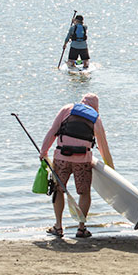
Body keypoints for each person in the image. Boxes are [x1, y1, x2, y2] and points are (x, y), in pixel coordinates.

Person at [39, 93, 113, 238]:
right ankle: (81, 228)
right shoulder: (95, 118)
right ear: (96, 107)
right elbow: (103, 146)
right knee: (84, 193)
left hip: (61, 158)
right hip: (83, 161)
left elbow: (53, 131)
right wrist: (110, 168)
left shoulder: (67, 109)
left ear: (81, 102)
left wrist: (44, 151)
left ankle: (58, 227)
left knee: (58, 190)